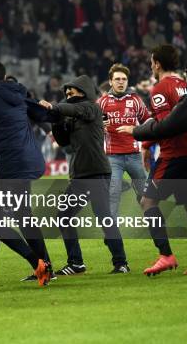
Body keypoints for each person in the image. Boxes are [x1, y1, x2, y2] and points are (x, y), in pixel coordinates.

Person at [118, 46, 187, 275]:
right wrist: (148, 146)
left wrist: (138, 133)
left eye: (152, 63)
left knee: (147, 202)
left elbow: (166, 126)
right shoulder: (186, 85)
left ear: (158, 64)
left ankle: (165, 255)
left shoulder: (160, 88)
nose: (151, 66)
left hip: (173, 156)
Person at [0, 61, 53, 287]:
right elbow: (44, 114)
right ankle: (44, 265)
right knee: (21, 216)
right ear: (5, 76)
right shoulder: (19, 94)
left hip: (8, 165)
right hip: (27, 160)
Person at [39, 75, 129, 275]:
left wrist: (55, 108)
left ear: (85, 92)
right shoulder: (73, 114)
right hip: (81, 174)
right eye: (66, 93)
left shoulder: (91, 108)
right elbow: (63, 141)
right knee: (64, 216)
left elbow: (73, 108)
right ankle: (76, 263)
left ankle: (121, 262)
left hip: (96, 172)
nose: (68, 96)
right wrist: (56, 121)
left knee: (104, 217)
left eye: (72, 92)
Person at [97, 63, 150, 217]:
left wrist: (143, 142)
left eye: (124, 79)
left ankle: (154, 224)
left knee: (146, 194)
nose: (121, 82)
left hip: (134, 155)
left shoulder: (135, 100)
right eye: (117, 79)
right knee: (113, 194)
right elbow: (92, 127)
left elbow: (148, 122)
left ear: (127, 81)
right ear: (111, 81)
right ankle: (112, 232)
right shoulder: (102, 102)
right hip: (113, 157)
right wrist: (99, 126)